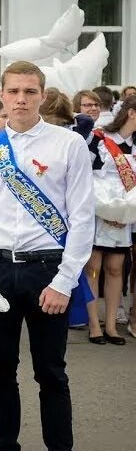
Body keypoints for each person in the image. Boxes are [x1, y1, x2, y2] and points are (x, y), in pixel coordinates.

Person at [0, 61, 90, 451]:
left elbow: (82, 219)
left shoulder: (69, 145)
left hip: (46, 271)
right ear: (1, 94)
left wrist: (64, 280)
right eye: (13, 91)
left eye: (29, 91)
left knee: (51, 373)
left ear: (42, 94)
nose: (20, 98)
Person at [84, 97, 136, 346]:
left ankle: (112, 326)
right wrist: (106, 211)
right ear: (131, 113)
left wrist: (125, 213)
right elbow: (86, 177)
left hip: (125, 215)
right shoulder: (100, 138)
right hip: (98, 211)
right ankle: (94, 324)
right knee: (93, 267)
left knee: (116, 268)